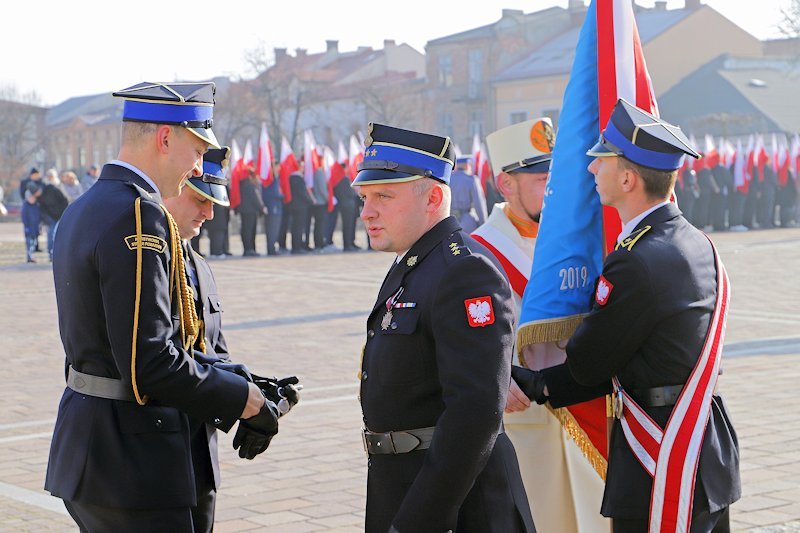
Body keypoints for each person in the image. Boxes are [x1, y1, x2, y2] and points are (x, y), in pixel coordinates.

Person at [45, 81, 281, 531]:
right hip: (135, 459)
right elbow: (149, 361)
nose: (197, 165)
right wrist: (240, 399)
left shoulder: (87, 205)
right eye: (196, 149)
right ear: (165, 137)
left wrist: (239, 379)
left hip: (101, 451)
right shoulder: (139, 212)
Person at [513, 99, 740, 532]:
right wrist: (541, 386)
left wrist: (539, 380)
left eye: (602, 161)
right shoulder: (695, 241)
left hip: (661, 454)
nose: (592, 169)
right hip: (701, 444)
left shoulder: (635, 260)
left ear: (629, 178)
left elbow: (590, 360)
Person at [355, 122, 534, 533]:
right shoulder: (414, 263)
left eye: (383, 195)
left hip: (458, 505)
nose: (367, 211)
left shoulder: (464, 270)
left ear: (434, 196)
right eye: (365, 197)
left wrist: (421, 519)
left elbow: (475, 412)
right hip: (404, 483)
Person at [474, 118, 608, 533]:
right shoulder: (479, 252)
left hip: (584, 410)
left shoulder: (578, 241)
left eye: (558, 176)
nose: (554, 189)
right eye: (541, 178)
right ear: (505, 184)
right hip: (525, 423)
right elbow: (464, 341)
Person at [164, 147, 300, 531]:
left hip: (196, 456)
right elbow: (157, 361)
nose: (209, 213)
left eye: (212, 202)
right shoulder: (146, 260)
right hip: (152, 455)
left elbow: (207, 354)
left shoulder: (199, 265)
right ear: (172, 186)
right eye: (199, 199)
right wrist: (243, 402)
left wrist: (257, 390)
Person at [449, 156, 487, 233]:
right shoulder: (471, 180)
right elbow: (479, 205)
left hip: (451, 223)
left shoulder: (448, 180)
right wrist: (484, 225)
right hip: (468, 222)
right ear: (467, 165)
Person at [38, 169, 69, 261]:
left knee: (55, 235)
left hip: (57, 216)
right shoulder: (45, 189)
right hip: (50, 217)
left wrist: (60, 214)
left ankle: (55, 254)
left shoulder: (58, 188)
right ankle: (52, 254)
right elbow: (42, 204)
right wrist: (45, 216)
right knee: (51, 235)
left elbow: (64, 201)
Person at [238, 165, 267, 257]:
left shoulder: (242, 183)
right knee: (250, 231)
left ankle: (248, 249)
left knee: (246, 230)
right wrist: (262, 207)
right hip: (251, 211)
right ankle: (250, 249)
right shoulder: (250, 184)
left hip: (244, 210)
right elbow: (255, 197)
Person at [263, 160, 284, 255]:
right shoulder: (270, 179)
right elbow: (274, 193)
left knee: (275, 229)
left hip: (276, 207)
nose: (279, 169)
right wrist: (283, 195)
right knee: (272, 229)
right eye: (277, 166)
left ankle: (272, 248)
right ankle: (271, 249)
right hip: (273, 207)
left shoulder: (276, 178)